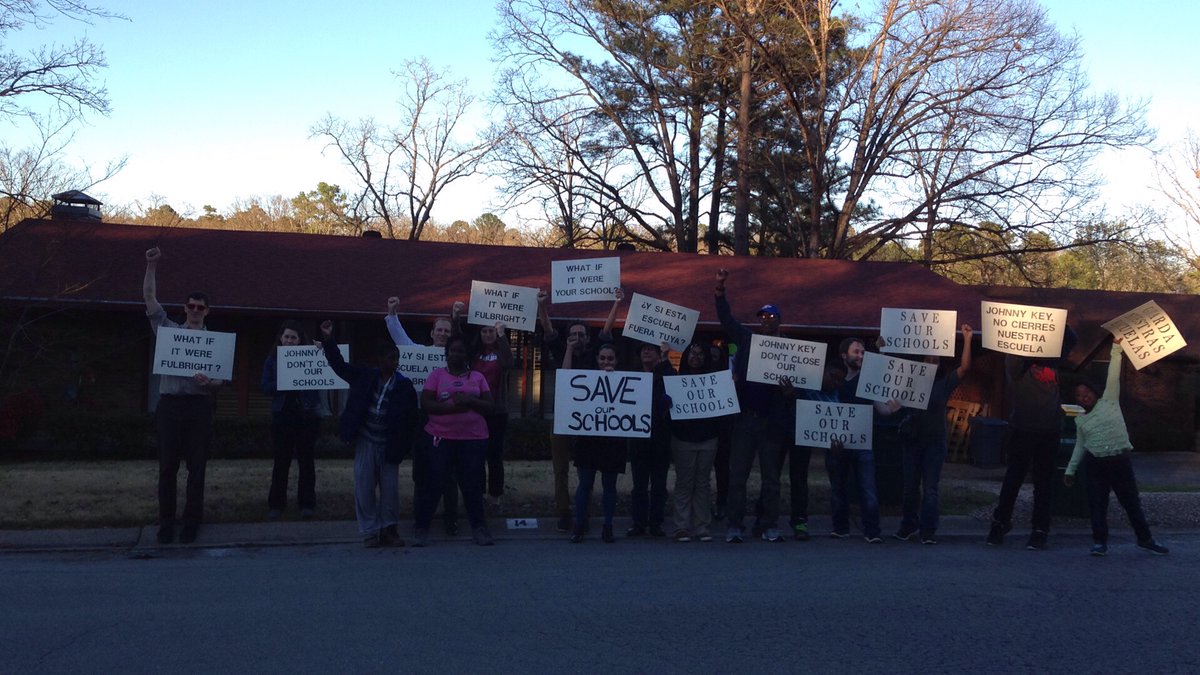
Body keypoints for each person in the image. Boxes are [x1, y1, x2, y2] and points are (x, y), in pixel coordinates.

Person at [142, 246, 225, 545]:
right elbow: (150, 299)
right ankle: (166, 523)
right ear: (185, 307)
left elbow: (219, 381)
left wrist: (210, 384)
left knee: (197, 467)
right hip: (169, 406)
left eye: (200, 307)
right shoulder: (169, 332)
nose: (194, 310)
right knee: (167, 467)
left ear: (207, 312)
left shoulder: (214, 344)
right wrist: (151, 266)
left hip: (199, 407)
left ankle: (191, 522)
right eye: (191, 306)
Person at [1064, 338, 1169, 556]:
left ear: (1094, 392)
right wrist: (1070, 470)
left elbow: (1113, 375)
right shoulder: (1080, 420)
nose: (1083, 397)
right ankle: (1099, 542)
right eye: (1079, 396)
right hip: (1096, 465)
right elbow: (1080, 446)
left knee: (1131, 502)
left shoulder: (1109, 400)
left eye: (1087, 393)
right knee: (1097, 504)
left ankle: (1145, 539)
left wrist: (1117, 348)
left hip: (1119, 462)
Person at [320, 320, 418, 548]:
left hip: (389, 444)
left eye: (396, 359)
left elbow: (411, 420)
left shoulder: (404, 386)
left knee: (390, 491)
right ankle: (369, 532)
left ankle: (389, 530)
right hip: (366, 440)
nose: (394, 363)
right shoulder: (364, 376)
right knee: (364, 487)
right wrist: (328, 340)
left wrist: (403, 447)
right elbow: (340, 367)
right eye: (390, 359)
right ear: (379, 360)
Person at [714, 268, 793, 543]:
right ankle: (735, 525)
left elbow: (799, 390)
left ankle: (769, 525)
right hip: (746, 419)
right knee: (737, 477)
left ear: (779, 321)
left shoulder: (790, 349)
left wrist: (789, 391)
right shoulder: (748, 340)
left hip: (772, 422)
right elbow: (726, 319)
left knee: (771, 479)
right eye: (762, 317)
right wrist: (720, 290)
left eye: (771, 316)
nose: (766, 320)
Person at [538, 289, 622, 533]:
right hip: (563, 418)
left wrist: (617, 303)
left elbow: (607, 329)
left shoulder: (595, 353)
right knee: (561, 469)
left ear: (587, 337)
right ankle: (564, 513)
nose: (577, 338)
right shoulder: (560, 350)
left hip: (589, 422)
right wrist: (542, 305)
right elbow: (548, 330)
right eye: (573, 334)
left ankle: (584, 512)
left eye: (581, 334)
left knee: (586, 470)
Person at [988, 326, 1078, 550]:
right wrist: (1021, 332)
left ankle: (1040, 530)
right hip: (1023, 429)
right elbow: (1013, 348)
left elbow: (1071, 340)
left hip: (1050, 431)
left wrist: (1056, 326)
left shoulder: (1054, 361)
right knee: (1013, 480)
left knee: (1043, 483)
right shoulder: (1017, 364)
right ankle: (1000, 523)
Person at [386, 296, 462, 536]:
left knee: (449, 471)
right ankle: (421, 519)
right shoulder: (418, 354)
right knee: (422, 470)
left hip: (449, 419)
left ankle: (451, 520)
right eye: (438, 330)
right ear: (432, 333)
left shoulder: (458, 361)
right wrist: (392, 313)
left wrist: (457, 317)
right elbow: (400, 339)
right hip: (423, 419)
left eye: (446, 330)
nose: (442, 334)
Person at [413, 334, 496, 547]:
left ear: (467, 354)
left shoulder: (477, 377)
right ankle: (421, 528)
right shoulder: (436, 376)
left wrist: (469, 400)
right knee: (434, 483)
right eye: (452, 351)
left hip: (473, 439)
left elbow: (490, 406)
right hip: (441, 437)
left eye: (460, 351)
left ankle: (479, 528)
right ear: (446, 353)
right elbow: (426, 404)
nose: (456, 354)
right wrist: (453, 408)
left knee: (471, 485)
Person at [894, 324, 973, 545]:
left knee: (930, 489)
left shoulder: (944, 383)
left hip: (934, 444)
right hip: (911, 442)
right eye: (929, 359)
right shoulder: (907, 381)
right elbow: (886, 372)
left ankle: (928, 530)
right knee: (910, 487)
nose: (932, 363)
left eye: (936, 360)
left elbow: (965, 368)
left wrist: (966, 338)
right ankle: (908, 525)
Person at [829, 337, 899, 543]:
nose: (860, 356)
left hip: (862, 442)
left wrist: (893, 408)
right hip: (837, 442)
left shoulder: (869, 380)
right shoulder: (834, 379)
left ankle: (872, 531)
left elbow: (882, 408)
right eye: (856, 352)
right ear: (844, 355)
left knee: (868, 487)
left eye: (862, 352)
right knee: (837, 486)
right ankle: (840, 528)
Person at [565, 338, 626, 543]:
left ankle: (607, 526)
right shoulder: (586, 379)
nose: (606, 362)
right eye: (602, 358)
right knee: (585, 484)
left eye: (610, 358)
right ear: (597, 359)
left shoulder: (626, 382)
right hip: (588, 439)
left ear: (616, 361)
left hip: (613, 440)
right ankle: (579, 525)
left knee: (609, 485)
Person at [260, 320, 323, 521]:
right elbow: (265, 387)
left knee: (306, 461)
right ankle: (276, 504)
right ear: (281, 338)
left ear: (299, 340)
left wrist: (321, 352)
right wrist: (285, 380)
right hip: (282, 415)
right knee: (281, 461)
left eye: (293, 337)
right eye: (286, 336)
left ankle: (306, 504)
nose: (289, 340)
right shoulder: (272, 360)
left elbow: (320, 383)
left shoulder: (309, 358)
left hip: (306, 416)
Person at [668, 341, 722, 542]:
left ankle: (701, 526)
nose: (696, 357)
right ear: (685, 357)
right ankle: (681, 527)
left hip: (708, 438)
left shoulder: (715, 382)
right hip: (683, 438)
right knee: (684, 482)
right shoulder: (676, 381)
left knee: (702, 483)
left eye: (700, 353)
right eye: (692, 353)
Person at [625, 339, 676, 537]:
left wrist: (665, 359)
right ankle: (638, 523)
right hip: (638, 438)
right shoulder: (632, 377)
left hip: (660, 437)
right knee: (638, 485)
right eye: (643, 349)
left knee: (658, 484)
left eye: (650, 349)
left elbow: (673, 383)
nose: (646, 352)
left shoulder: (666, 374)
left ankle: (656, 523)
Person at [708, 342, 733, 521]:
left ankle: (722, 503)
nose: (711, 360)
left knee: (723, 470)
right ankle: (703, 506)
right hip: (702, 432)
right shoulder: (694, 379)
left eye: (715, 357)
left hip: (724, 431)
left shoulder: (730, 380)